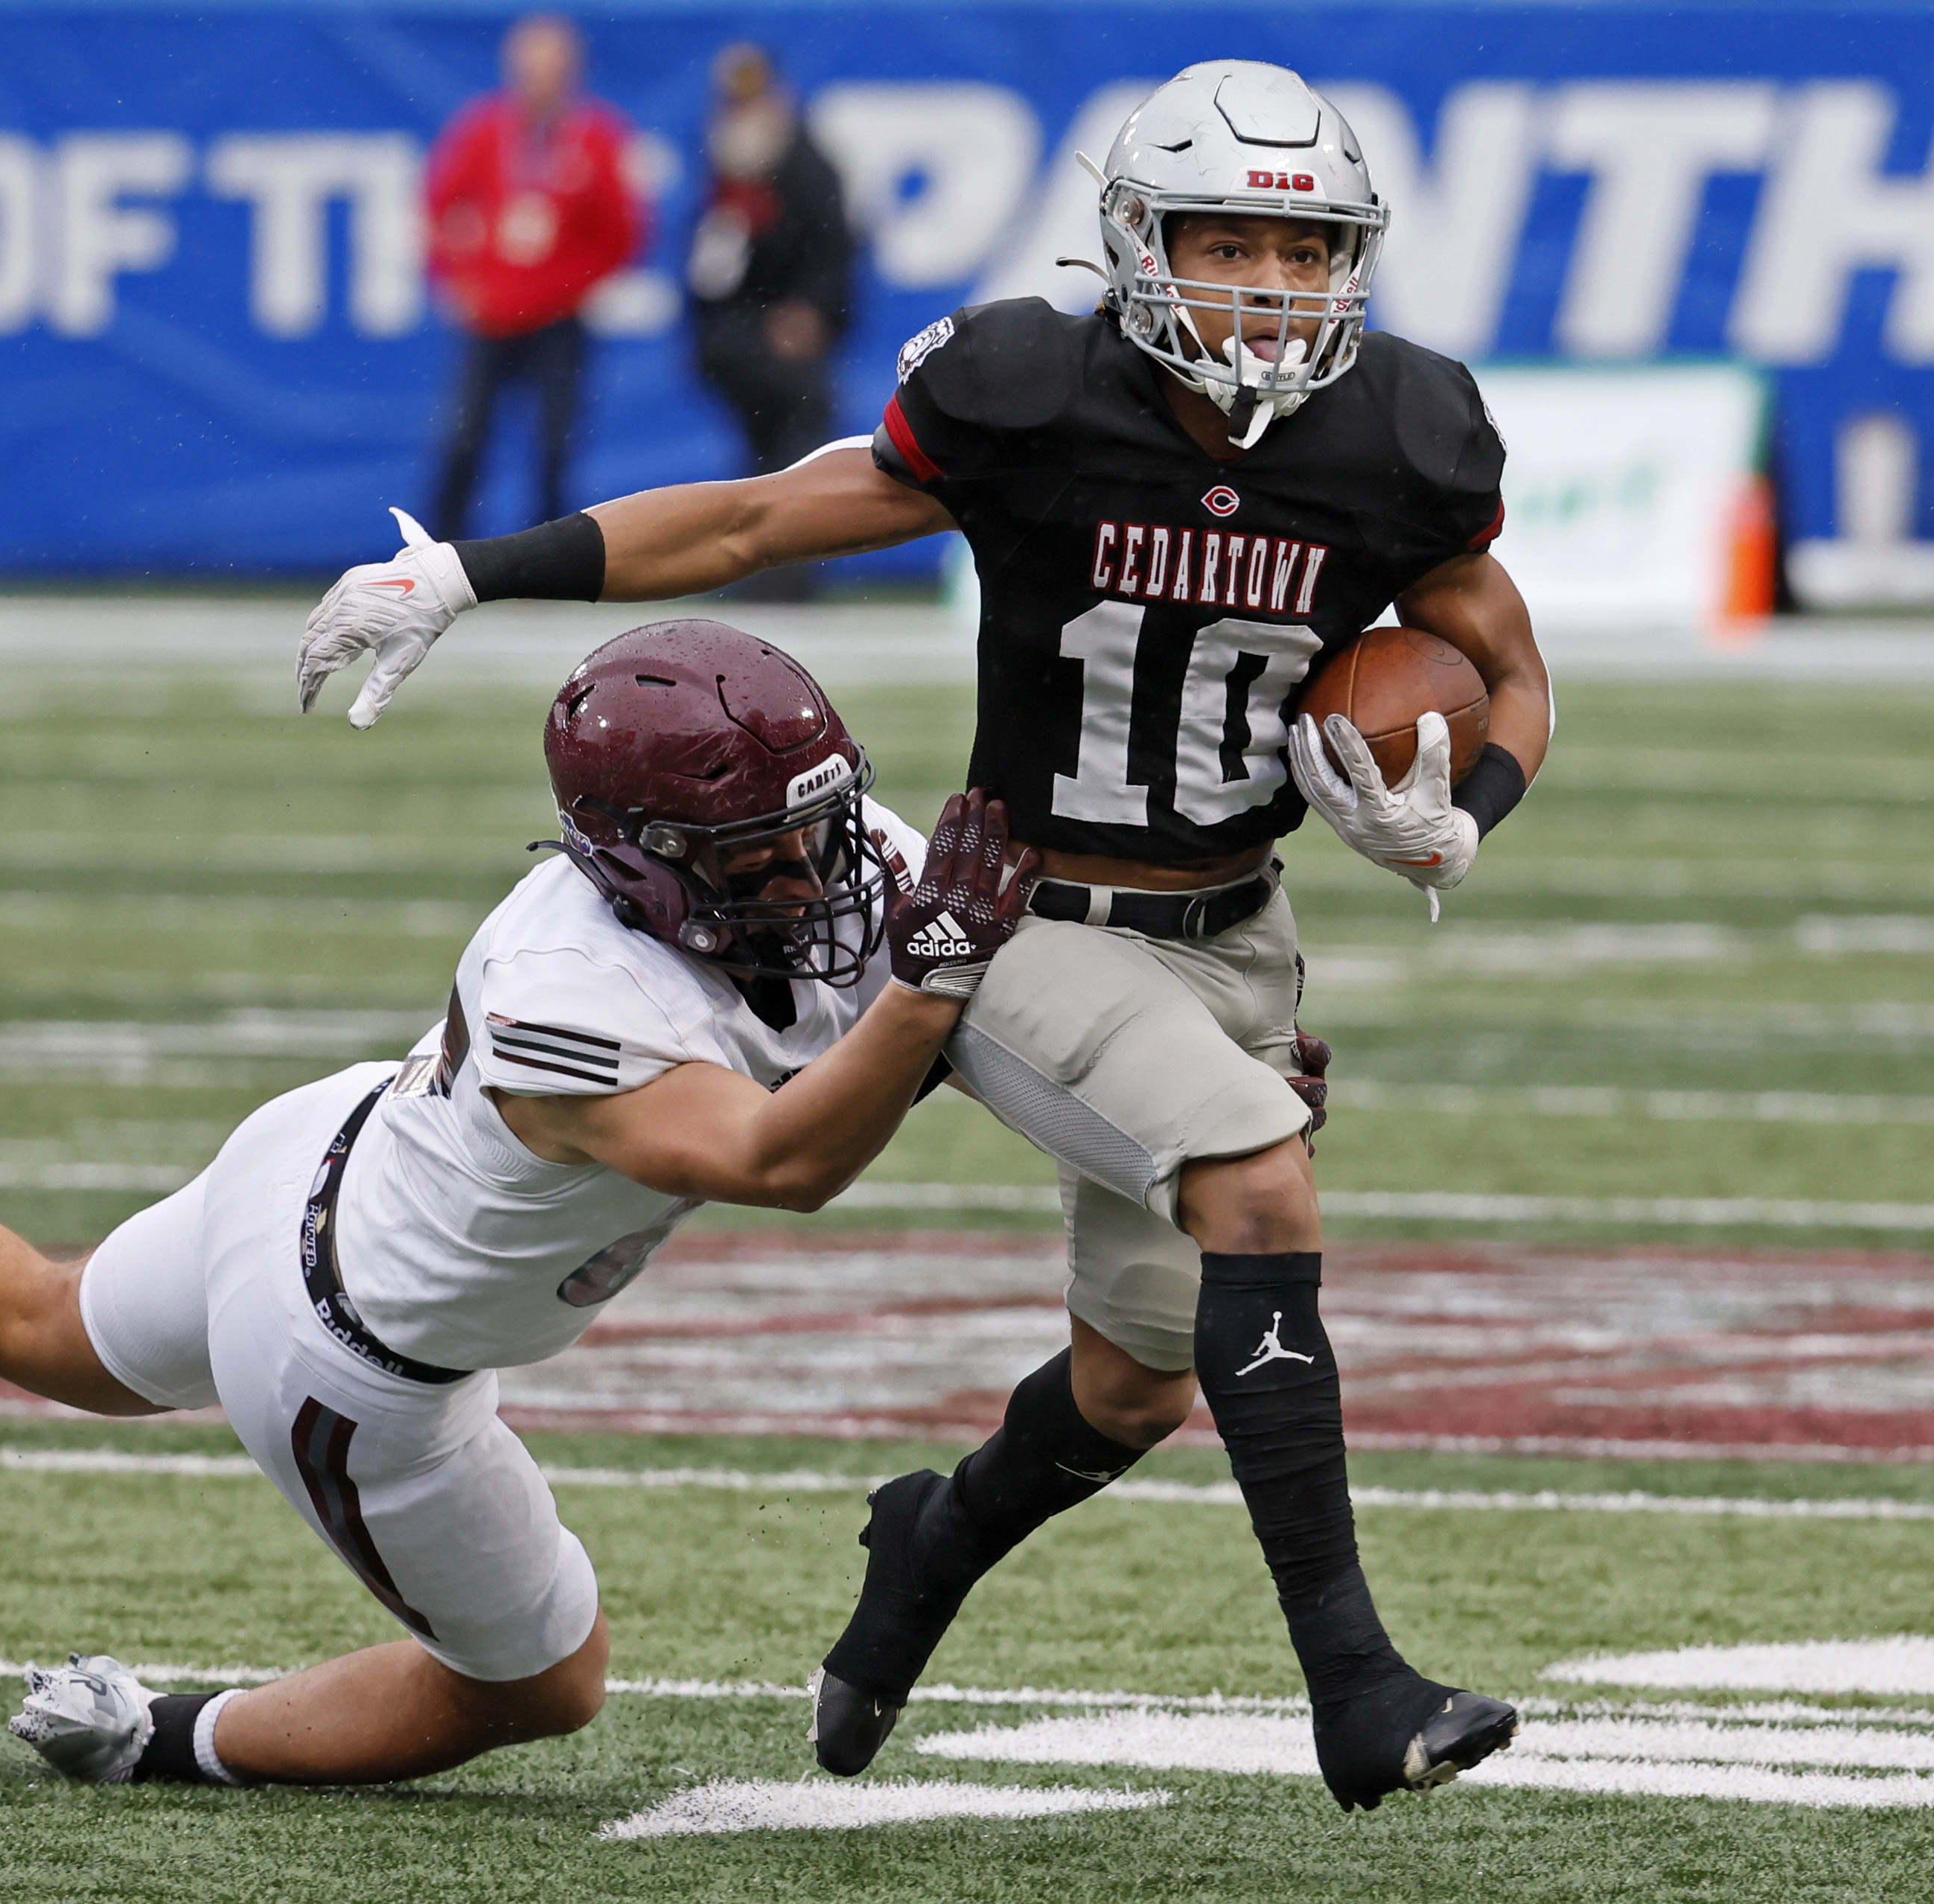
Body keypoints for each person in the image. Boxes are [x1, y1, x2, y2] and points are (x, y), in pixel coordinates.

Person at [296, 60, 1549, 1812]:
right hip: (1021, 915)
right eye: (1227, 243)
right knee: (1261, 1177)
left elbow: (1505, 660)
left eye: (1305, 250)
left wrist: (1461, 812)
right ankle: (1359, 1687)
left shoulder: (1399, 428)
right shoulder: (1030, 393)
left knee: (1135, 1382)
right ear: (1137, 245)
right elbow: (750, 515)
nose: (1270, 291)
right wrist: (475, 573)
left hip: (1235, 929)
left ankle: (929, 1542)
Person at [0, 622, 1042, 1792]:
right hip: (356, 1363)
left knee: (39, 1324)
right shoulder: (565, 994)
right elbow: (787, 1162)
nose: (815, 880)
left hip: (326, 1155)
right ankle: (164, 1740)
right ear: (635, 859)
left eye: (816, 832)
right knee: (544, 1688)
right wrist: (941, 980)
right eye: (756, 856)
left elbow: (975, 973)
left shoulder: (816, 851)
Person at [424, 13, 646, 542]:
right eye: (531, 69)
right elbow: (438, 208)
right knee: (464, 436)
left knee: (554, 443)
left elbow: (622, 231)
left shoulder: (596, 138)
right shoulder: (483, 132)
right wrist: (458, 278)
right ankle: (439, 552)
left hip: (558, 316)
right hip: (491, 316)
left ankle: (545, 561)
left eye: (552, 70)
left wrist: (569, 286)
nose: (540, 83)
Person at [685, 44, 853, 600]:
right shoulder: (729, 167)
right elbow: (709, 265)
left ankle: (784, 575)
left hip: (782, 338)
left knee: (793, 454)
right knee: (769, 454)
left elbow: (833, 253)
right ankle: (766, 572)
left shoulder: (803, 166)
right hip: (740, 336)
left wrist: (809, 311)